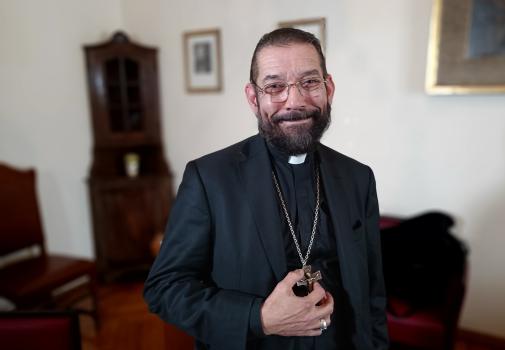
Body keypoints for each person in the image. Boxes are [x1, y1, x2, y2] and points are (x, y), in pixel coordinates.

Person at [144, 28, 388, 350]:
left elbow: (372, 292)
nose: (295, 101)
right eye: (274, 86)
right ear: (253, 97)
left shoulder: (358, 178)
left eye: (310, 82)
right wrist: (257, 317)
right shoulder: (209, 178)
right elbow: (165, 288)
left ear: (328, 88)